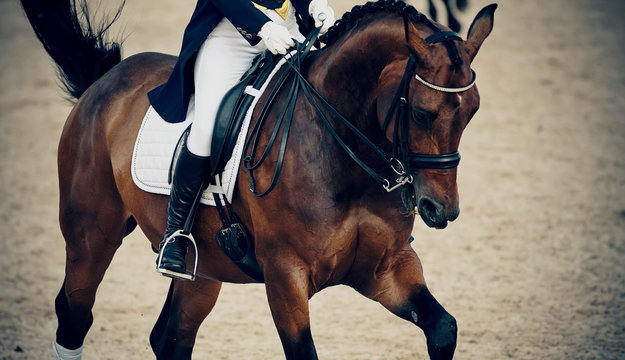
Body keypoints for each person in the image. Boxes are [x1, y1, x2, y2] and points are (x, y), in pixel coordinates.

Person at [148, 0, 336, 280]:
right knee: (207, 129)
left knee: (332, 99)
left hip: (287, 27)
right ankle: (176, 234)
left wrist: (312, 3)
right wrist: (262, 27)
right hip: (231, 36)